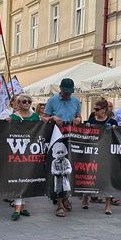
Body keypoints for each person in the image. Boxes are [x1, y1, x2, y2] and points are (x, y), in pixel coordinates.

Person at [43, 78, 82, 212]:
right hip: (56, 135)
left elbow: (78, 116)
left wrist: (78, 119)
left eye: (69, 93)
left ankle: (65, 197)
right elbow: (44, 118)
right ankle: (59, 202)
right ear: (60, 88)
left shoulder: (76, 101)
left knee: (68, 168)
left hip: (70, 136)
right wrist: (53, 118)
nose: (67, 95)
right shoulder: (52, 100)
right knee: (58, 170)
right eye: (65, 92)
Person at [82, 99, 120, 215]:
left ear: (104, 110)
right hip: (93, 152)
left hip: (107, 153)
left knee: (107, 178)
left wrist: (115, 130)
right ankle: (85, 197)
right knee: (89, 175)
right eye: (94, 109)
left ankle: (107, 205)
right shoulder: (92, 120)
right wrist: (87, 129)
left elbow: (118, 137)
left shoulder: (112, 122)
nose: (95, 111)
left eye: (97, 109)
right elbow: (86, 136)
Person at [8, 94, 39, 220]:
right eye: (24, 101)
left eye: (29, 101)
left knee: (26, 178)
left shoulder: (35, 117)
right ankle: (17, 207)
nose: (27, 103)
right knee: (18, 177)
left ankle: (22, 206)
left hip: (31, 151)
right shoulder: (13, 117)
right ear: (18, 103)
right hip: (17, 152)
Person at [51, 142, 72, 217]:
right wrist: (58, 173)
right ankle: (59, 205)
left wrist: (65, 172)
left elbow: (69, 168)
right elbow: (53, 170)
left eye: (62, 152)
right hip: (58, 179)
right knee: (58, 191)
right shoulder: (54, 162)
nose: (60, 154)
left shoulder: (66, 161)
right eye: (58, 152)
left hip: (65, 179)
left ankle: (65, 200)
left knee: (65, 190)